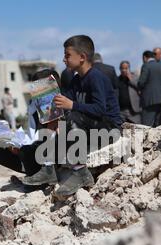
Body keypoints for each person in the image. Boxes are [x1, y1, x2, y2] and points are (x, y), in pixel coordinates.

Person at [22, 35, 122, 197]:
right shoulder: (76, 80)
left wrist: (72, 105)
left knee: (72, 117)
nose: (64, 59)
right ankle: (48, 170)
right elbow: (62, 104)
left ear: (82, 57)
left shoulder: (95, 77)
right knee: (55, 122)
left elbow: (100, 110)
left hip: (109, 129)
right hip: (87, 127)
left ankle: (81, 174)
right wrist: (52, 116)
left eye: (67, 55)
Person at [0, 69, 60, 192]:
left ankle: (39, 181)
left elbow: (52, 134)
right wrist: (15, 143)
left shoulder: (57, 102)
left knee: (27, 151)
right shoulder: (33, 105)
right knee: (0, 153)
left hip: (52, 151)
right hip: (37, 147)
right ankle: (32, 173)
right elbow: (32, 133)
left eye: (39, 85)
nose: (35, 90)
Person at [138, 50, 161, 128]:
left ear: (144, 57)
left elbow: (141, 82)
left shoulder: (146, 66)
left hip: (149, 101)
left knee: (146, 126)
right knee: (159, 126)